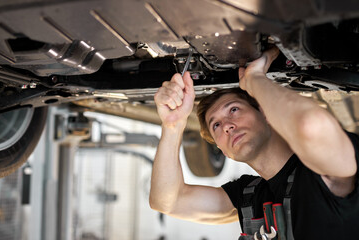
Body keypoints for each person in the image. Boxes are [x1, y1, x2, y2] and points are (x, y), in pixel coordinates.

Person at [149, 48, 359, 239]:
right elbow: (168, 201)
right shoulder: (249, 196)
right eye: (216, 125)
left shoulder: (320, 173)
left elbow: (310, 126)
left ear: (265, 113)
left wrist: (255, 80)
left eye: (234, 110)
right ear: (223, 150)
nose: (226, 126)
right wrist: (173, 125)